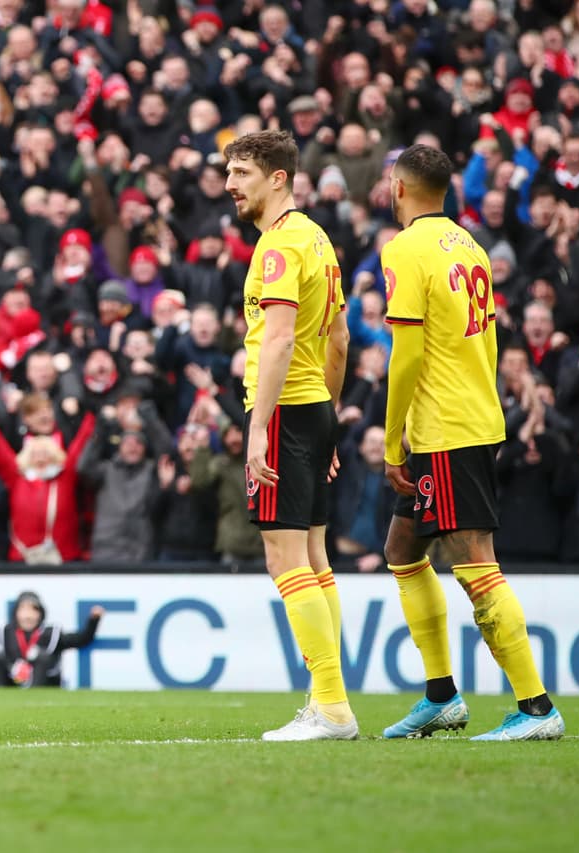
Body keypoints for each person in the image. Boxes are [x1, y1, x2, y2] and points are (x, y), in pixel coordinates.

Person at [381, 144, 563, 741]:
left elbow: (406, 354)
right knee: (402, 549)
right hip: (470, 414)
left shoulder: (405, 249)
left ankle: (536, 707)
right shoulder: (470, 245)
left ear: (399, 188)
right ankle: (441, 696)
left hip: (447, 428)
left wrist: (392, 439)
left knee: (475, 563)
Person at [223, 130, 355, 741]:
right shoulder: (318, 240)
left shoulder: (278, 245)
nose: (230, 185)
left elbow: (277, 339)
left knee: (284, 560)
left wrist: (258, 429)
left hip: (282, 412)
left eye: (242, 173)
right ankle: (328, 701)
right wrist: (328, 417)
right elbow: (339, 340)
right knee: (315, 560)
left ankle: (331, 708)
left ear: (278, 178)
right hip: (314, 409)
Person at [0, 593, 105, 687]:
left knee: (43, 656)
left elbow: (82, 639)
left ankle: (35, 696)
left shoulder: (51, 633)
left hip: (47, 684)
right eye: (23, 610)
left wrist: (94, 620)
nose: (28, 615)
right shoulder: (6, 631)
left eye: (33, 610)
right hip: (14, 680)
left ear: (40, 614)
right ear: (16, 613)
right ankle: (0, 696)